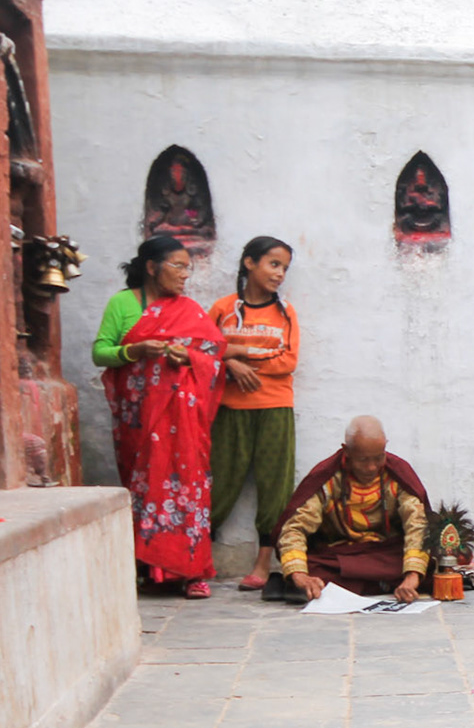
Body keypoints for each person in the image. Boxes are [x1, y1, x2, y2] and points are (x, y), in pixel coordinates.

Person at [93, 234, 227, 598]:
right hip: (139, 418)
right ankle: (145, 568)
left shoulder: (189, 310)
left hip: (182, 423)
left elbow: (214, 356)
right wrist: (134, 349)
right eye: (178, 266)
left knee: (188, 488)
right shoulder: (123, 304)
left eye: (188, 267)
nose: (185, 275)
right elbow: (101, 353)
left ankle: (192, 570)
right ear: (152, 267)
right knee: (143, 487)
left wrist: (190, 359)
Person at [208, 236, 299, 591]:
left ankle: (264, 561)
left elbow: (288, 361)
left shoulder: (285, 312)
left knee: (274, 486)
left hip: (275, 407)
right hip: (229, 409)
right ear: (250, 263)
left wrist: (239, 360)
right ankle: (197, 556)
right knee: (219, 481)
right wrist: (231, 360)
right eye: (273, 264)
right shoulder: (222, 308)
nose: (279, 274)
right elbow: (201, 347)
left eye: (284, 268)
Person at [276, 416, 431, 602]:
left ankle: (373, 583)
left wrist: (413, 575)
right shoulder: (328, 478)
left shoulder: (397, 474)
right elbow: (295, 527)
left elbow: (418, 523)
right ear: (346, 451)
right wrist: (299, 575)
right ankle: (382, 583)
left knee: (427, 566)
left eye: (379, 457)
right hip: (343, 554)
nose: (371, 467)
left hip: (386, 553)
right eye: (363, 460)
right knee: (311, 568)